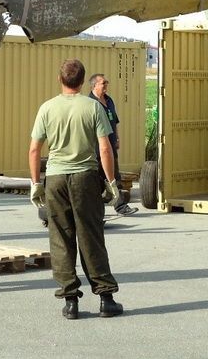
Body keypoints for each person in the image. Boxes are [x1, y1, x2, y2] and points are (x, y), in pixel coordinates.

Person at [29, 59, 124, 320]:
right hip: (85, 177)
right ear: (82, 82)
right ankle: (106, 298)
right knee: (91, 235)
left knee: (60, 238)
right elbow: (105, 148)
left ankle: (70, 301)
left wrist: (36, 183)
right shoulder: (94, 107)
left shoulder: (47, 108)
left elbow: (35, 149)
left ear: (60, 80)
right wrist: (112, 182)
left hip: (56, 178)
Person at [88, 73, 138, 216]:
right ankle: (95, 209)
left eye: (106, 83)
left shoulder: (109, 100)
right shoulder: (89, 103)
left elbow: (114, 121)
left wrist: (117, 137)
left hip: (110, 145)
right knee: (96, 180)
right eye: (103, 83)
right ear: (94, 85)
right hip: (96, 148)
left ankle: (121, 206)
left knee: (115, 177)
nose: (106, 86)